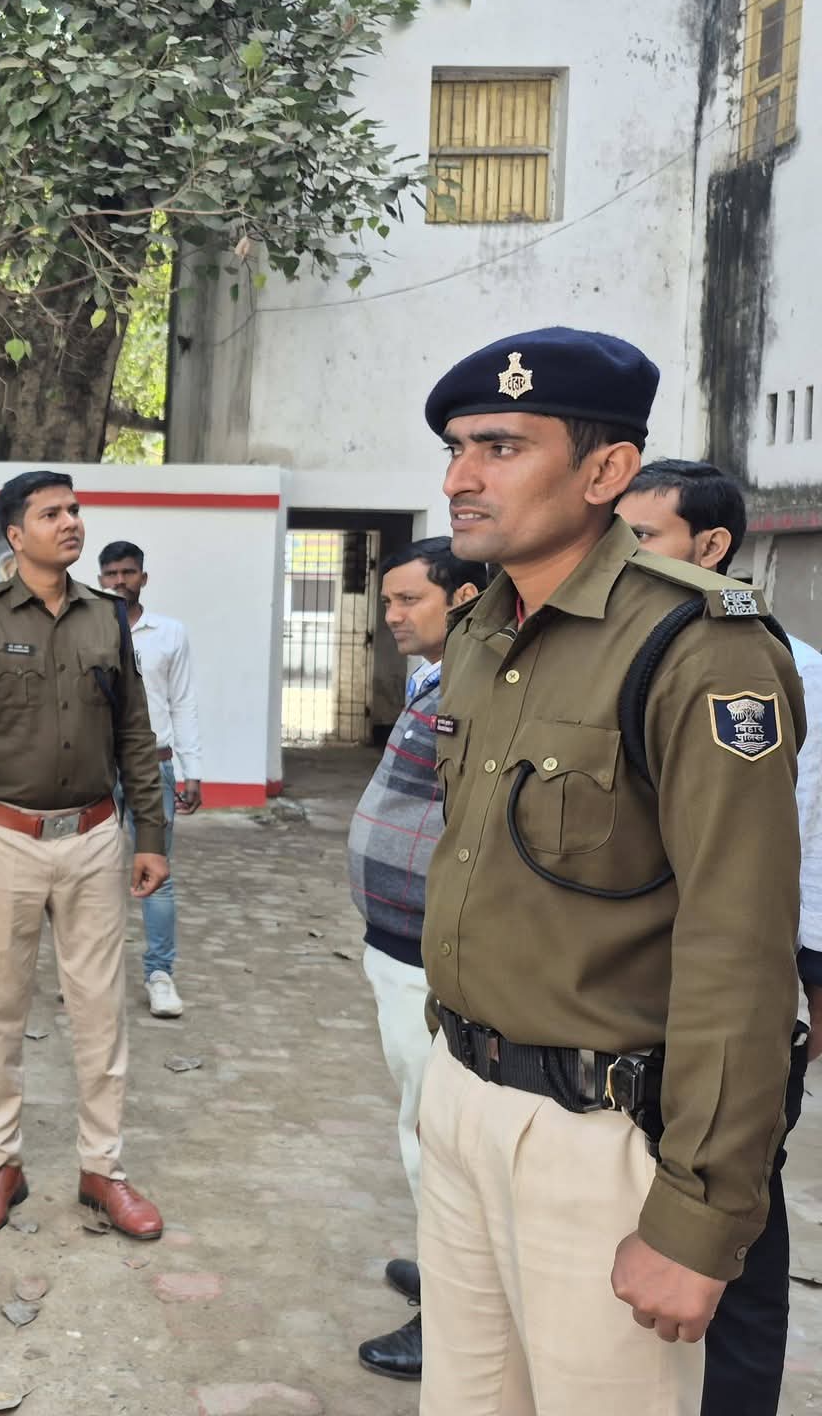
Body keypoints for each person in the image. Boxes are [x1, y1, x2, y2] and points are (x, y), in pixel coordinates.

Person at [416, 329, 804, 1416]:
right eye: (454, 449)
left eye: (499, 446)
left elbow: (739, 948)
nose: (459, 478)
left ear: (606, 471)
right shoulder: (481, 631)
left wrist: (699, 1213)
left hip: (598, 1140)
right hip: (461, 1094)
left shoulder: (696, 647)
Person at [618, 458, 822, 1415]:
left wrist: (805, 991)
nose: (621, 558)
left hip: (750, 988)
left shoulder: (763, 665)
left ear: (710, 546)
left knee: (736, 1211)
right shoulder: (630, 652)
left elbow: (791, 859)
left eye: (642, 538)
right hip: (654, 994)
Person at [0, 471, 172, 1241]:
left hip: (95, 837)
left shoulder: (106, 618)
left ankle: (104, 1170)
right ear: (14, 534)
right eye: (52, 514)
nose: (71, 522)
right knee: (0, 1010)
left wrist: (151, 833)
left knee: (101, 1012)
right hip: (3, 840)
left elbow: (134, 732)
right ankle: (0, 1164)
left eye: (74, 510)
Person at [346, 536, 484, 1382]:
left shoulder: (477, 682)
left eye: (409, 600)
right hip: (401, 940)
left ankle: (453, 1322)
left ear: (463, 598)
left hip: (434, 948)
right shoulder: (437, 675)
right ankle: (443, 1272)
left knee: (437, 1134)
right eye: (388, 599)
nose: (391, 615)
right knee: (418, 1117)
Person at [96, 540, 204, 1017]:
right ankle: (92, 974)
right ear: (100, 580)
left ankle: (160, 975)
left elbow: (183, 701)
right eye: (111, 574)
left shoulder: (169, 633)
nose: (120, 581)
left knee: (157, 874)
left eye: (128, 572)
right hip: (96, 768)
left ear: (143, 577)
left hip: (153, 766)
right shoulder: (87, 630)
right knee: (90, 875)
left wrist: (192, 769)